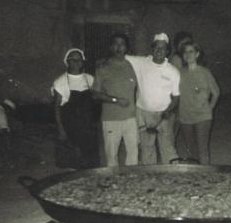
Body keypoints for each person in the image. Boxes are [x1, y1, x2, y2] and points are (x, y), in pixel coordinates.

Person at [126, 33, 180, 165]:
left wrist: (167, 112)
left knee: (168, 148)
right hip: (143, 113)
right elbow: (122, 56)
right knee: (147, 148)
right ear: (152, 48)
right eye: (156, 47)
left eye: (163, 48)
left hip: (164, 114)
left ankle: (172, 174)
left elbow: (176, 97)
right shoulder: (141, 62)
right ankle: (150, 173)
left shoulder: (173, 71)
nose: (159, 51)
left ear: (167, 51)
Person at [92, 33, 139, 166]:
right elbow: (95, 93)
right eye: (115, 44)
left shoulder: (133, 66)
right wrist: (115, 100)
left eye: (122, 44)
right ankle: (114, 178)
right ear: (111, 47)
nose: (119, 47)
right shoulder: (103, 67)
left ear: (126, 47)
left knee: (133, 154)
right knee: (111, 156)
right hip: (111, 118)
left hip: (131, 118)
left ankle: (132, 178)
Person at [51, 48, 100, 168]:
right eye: (73, 60)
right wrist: (61, 129)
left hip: (88, 125)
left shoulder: (90, 79)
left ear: (83, 62)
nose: (77, 62)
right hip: (71, 126)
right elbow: (56, 108)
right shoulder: (60, 82)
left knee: (91, 160)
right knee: (75, 160)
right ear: (67, 62)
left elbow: (96, 99)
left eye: (79, 60)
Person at [177, 42, 220, 164]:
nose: (188, 54)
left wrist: (210, 108)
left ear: (197, 54)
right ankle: (196, 173)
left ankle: (206, 173)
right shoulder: (179, 73)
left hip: (202, 117)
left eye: (191, 51)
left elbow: (216, 92)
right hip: (185, 116)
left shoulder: (205, 72)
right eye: (185, 52)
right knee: (191, 150)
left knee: (202, 150)